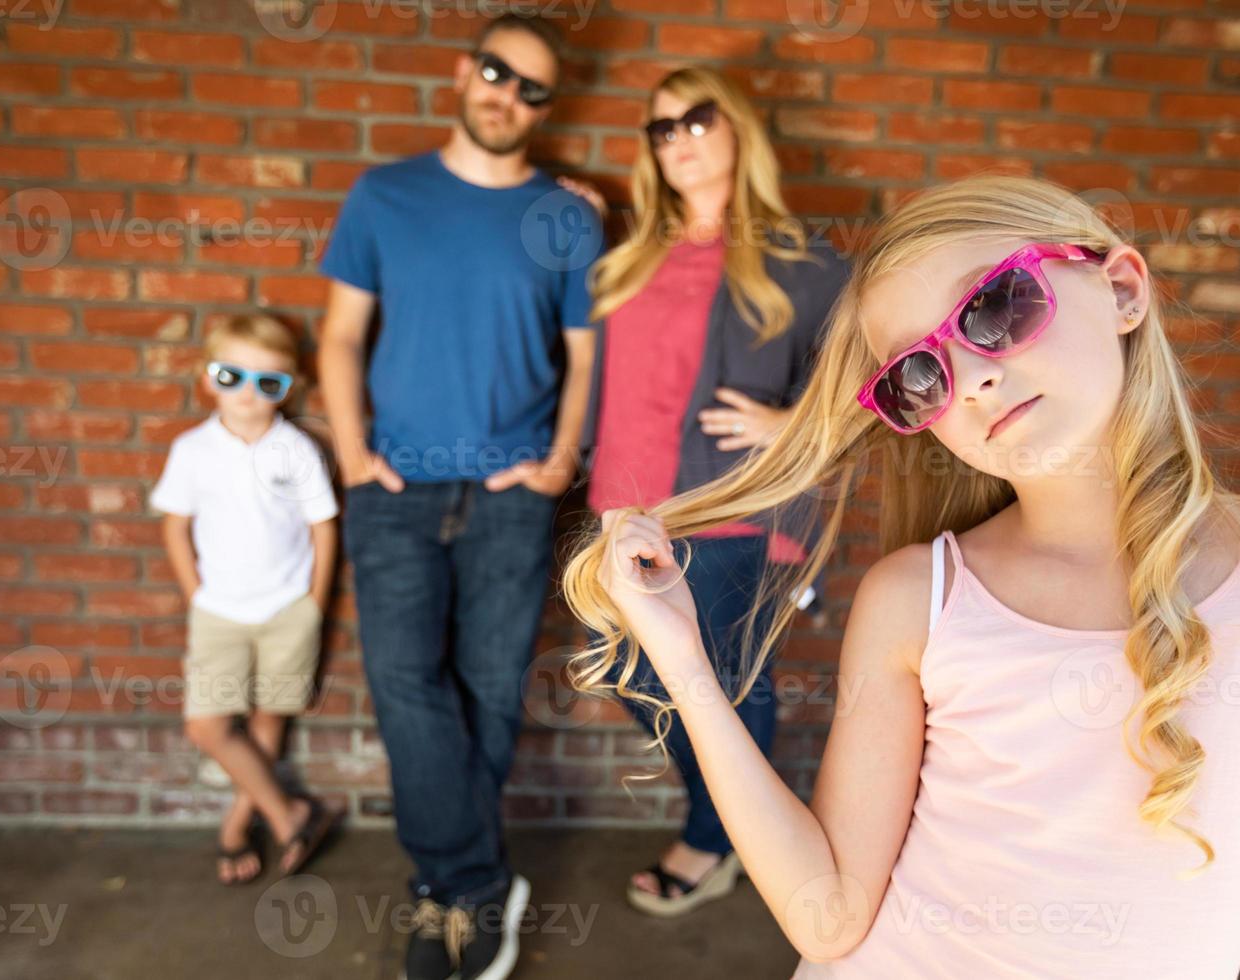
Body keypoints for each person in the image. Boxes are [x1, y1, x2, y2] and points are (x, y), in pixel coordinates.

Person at [562, 174, 1240, 977]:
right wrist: (683, 655)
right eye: (921, 374)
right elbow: (830, 917)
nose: (973, 378)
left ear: (1121, 288)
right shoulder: (919, 597)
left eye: (997, 308)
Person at [315, 12, 602, 980]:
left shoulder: (566, 215)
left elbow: (584, 351)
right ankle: (476, 883)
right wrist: (352, 450)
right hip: (394, 488)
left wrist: (564, 459)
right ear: (461, 73)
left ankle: (449, 887)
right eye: (496, 73)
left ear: (545, 107)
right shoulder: (384, 194)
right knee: (403, 679)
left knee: (487, 689)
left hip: (512, 488)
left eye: (532, 88)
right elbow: (342, 334)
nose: (508, 97)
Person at [581, 66, 847, 916]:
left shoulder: (804, 264)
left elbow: (868, 386)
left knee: (721, 684)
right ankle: (732, 821)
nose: (680, 139)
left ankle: (715, 839)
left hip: (726, 508)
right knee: (628, 671)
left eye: (698, 119)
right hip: (622, 504)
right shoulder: (632, 257)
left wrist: (789, 426)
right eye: (661, 128)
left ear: (738, 128)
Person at [152, 313, 340, 886]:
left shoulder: (296, 449)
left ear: (288, 388)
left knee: (268, 721)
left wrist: (313, 604)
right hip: (219, 611)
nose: (249, 394)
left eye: (269, 382)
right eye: (231, 376)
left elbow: (323, 529)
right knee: (208, 725)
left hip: (287, 609)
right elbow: (175, 527)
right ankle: (288, 814)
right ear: (208, 379)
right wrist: (196, 593)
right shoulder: (192, 450)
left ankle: (236, 825)